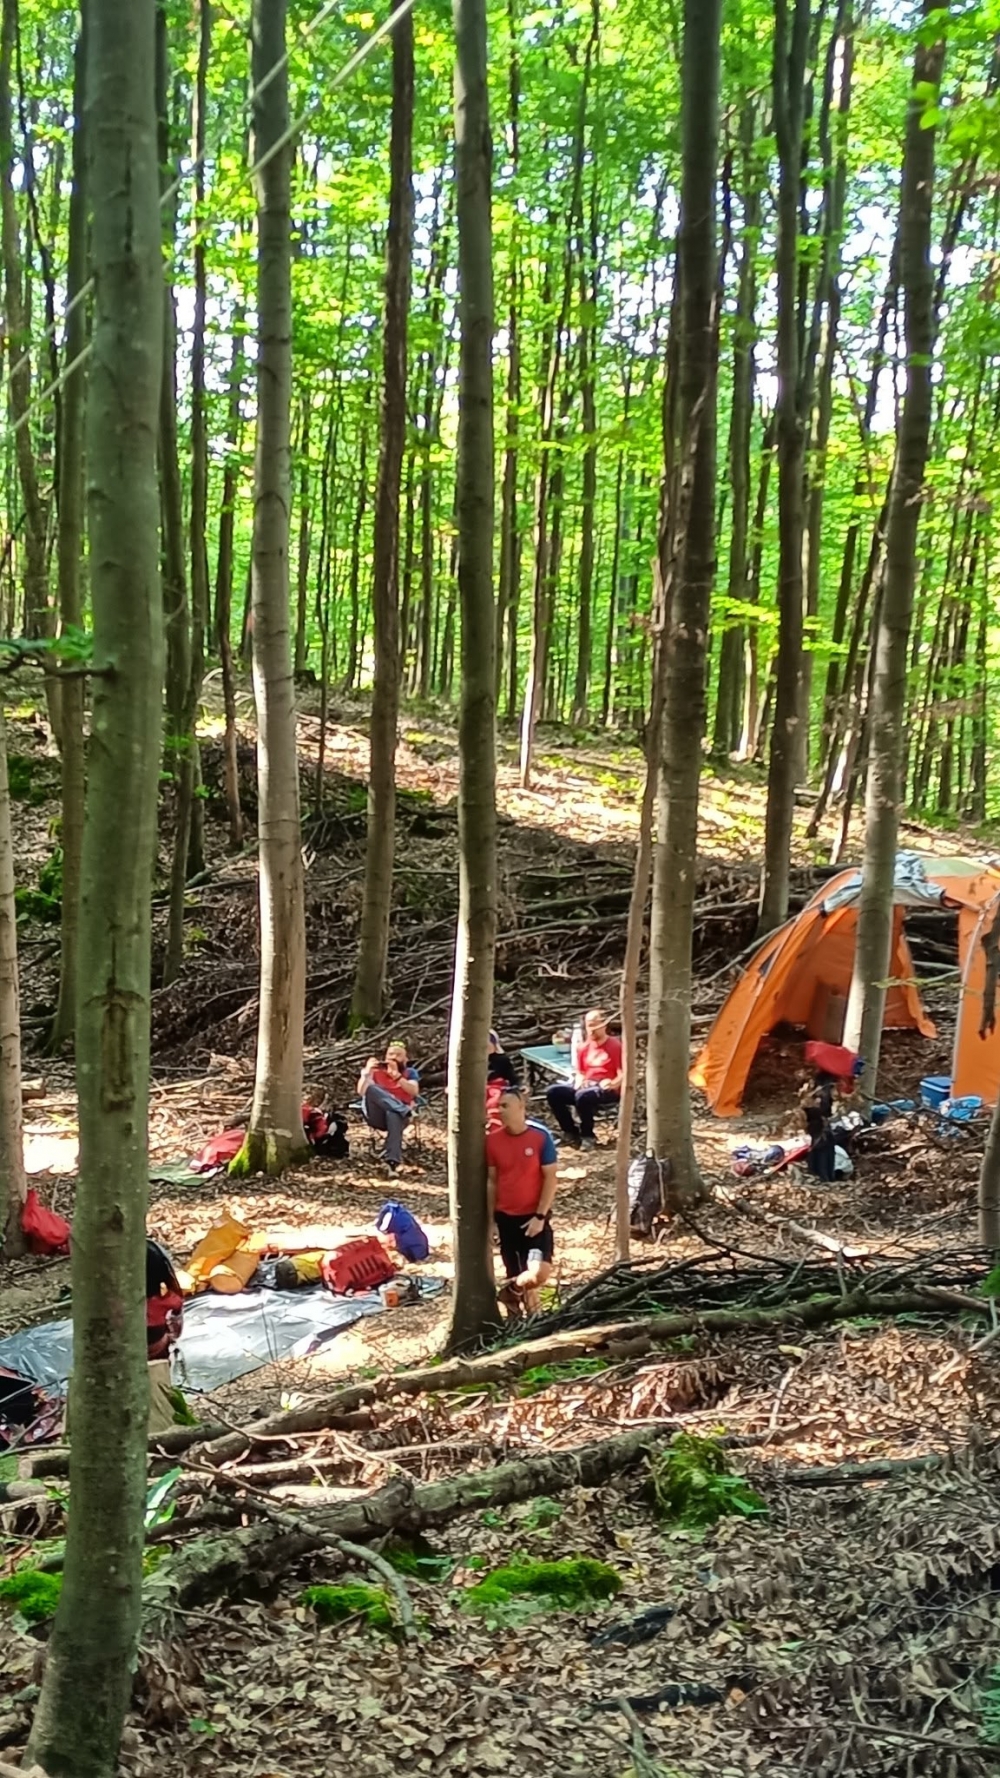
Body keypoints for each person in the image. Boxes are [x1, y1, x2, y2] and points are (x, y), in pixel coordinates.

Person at [486, 1086, 558, 1316]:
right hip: (507, 1218)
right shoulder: (493, 1142)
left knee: (537, 1274)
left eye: (506, 1106)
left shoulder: (540, 1137)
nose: (502, 1111)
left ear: (521, 1107)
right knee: (517, 1271)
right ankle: (528, 1324)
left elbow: (550, 1178)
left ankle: (510, 1290)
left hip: (533, 1219)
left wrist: (540, 1216)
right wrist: (490, 1221)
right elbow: (492, 1182)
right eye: (499, 1106)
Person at [546, 1007, 622, 1149]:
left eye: (595, 1025)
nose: (592, 1029)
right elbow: (580, 1071)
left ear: (604, 1025)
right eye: (589, 1025)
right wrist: (579, 1082)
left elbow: (623, 1074)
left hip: (607, 1088)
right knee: (554, 1092)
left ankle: (588, 1136)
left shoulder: (615, 1045)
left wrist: (612, 1084)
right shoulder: (583, 1047)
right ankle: (569, 1131)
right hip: (586, 1085)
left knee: (583, 1096)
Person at [357, 1040, 420, 1172]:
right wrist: (366, 1073)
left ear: (405, 1059)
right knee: (372, 1089)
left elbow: (414, 1091)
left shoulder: (410, 1072)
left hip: (398, 1118)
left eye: (398, 1055)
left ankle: (392, 1161)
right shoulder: (375, 1072)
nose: (393, 1058)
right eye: (390, 1054)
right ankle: (402, 1110)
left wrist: (397, 1077)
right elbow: (362, 1092)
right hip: (376, 1115)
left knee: (393, 1114)